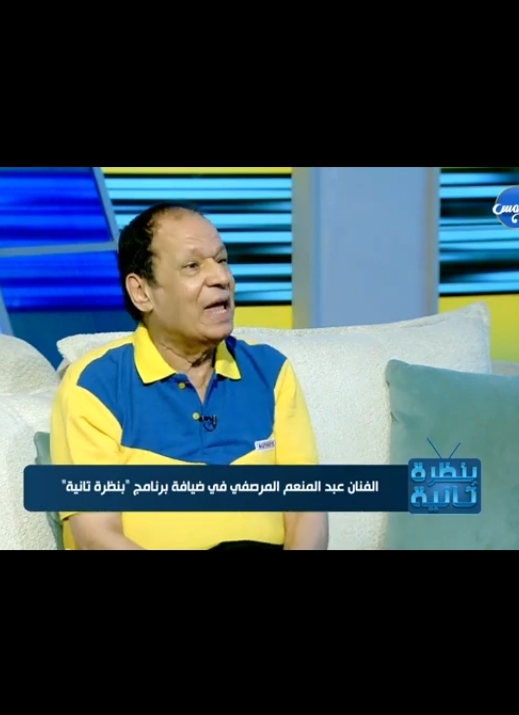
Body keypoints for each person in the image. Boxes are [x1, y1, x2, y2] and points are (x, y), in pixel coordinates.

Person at [50, 202, 328, 551]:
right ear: (142, 292)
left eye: (222, 260)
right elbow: (95, 537)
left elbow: (307, 510)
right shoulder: (95, 387)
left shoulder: (270, 372)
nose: (221, 278)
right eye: (193, 266)